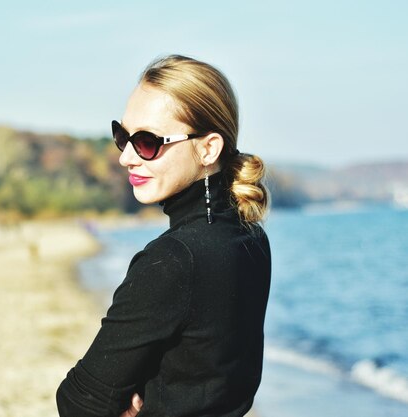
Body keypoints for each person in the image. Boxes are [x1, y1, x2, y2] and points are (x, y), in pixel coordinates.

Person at [56, 55, 271, 417]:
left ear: (207, 148)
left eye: (146, 142)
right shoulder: (251, 238)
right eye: (122, 136)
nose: (126, 157)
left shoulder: (173, 259)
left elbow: (79, 401)